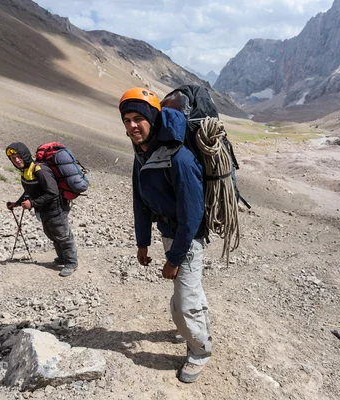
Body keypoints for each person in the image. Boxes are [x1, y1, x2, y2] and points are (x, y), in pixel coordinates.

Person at [120, 88, 212, 383]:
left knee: (182, 304)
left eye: (138, 118)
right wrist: (142, 241)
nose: (132, 125)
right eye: (127, 119)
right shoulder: (142, 153)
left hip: (187, 239)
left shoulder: (180, 159)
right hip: (168, 234)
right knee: (190, 295)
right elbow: (140, 199)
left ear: (152, 118)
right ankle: (195, 327)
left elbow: (192, 216)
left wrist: (173, 260)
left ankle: (199, 351)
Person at [5, 142, 78, 277]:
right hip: (43, 210)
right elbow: (29, 191)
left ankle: (71, 263)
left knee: (63, 237)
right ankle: (62, 258)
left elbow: (53, 192)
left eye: (18, 156)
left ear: (25, 155)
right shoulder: (26, 172)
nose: (16, 160)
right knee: (52, 235)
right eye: (13, 158)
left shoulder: (40, 170)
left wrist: (32, 203)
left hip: (56, 210)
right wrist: (16, 203)